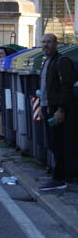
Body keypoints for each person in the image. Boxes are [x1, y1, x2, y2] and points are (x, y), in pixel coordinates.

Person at [39, 33, 78, 191]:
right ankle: (57, 175)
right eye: (44, 42)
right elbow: (45, 88)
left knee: (59, 144)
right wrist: (42, 107)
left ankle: (60, 177)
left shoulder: (61, 62)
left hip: (58, 110)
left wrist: (61, 110)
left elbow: (66, 87)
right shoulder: (47, 62)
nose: (46, 45)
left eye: (49, 42)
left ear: (56, 44)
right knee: (53, 143)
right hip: (49, 109)